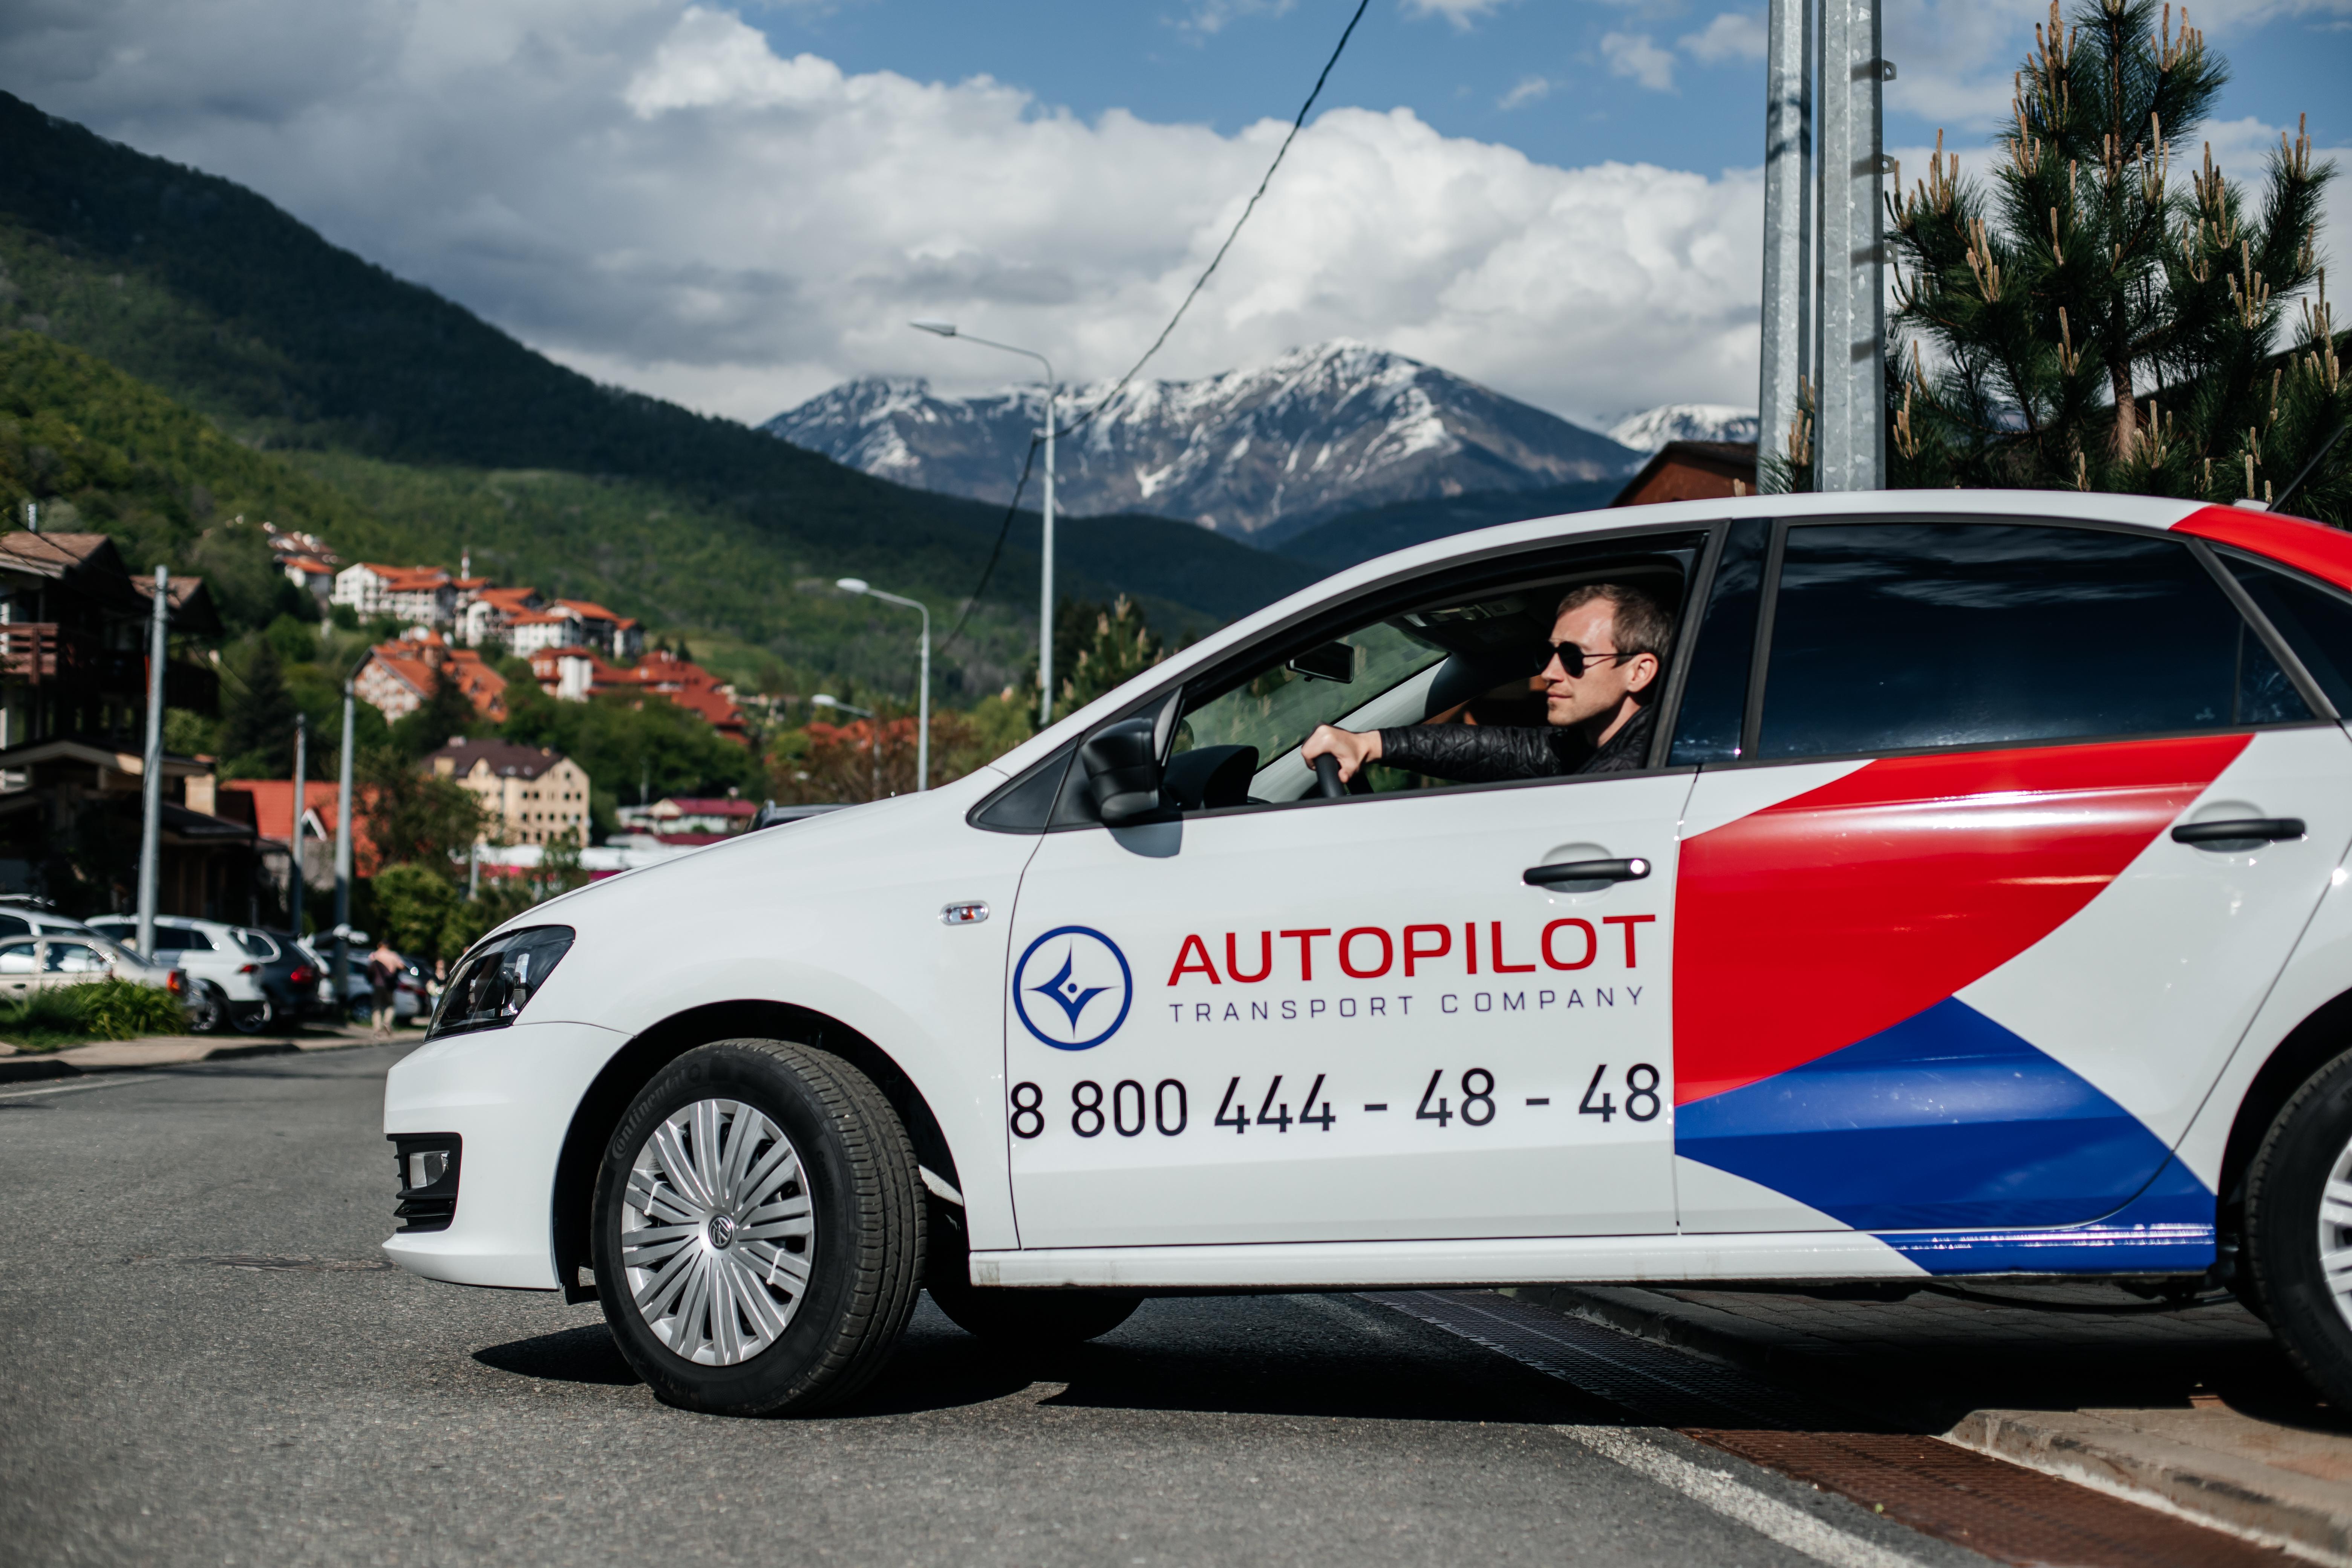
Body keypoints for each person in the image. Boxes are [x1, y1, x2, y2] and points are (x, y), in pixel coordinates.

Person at [1302, 582, 1672, 786]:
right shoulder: (1592, 748)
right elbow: (1503, 750)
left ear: (1638, 672)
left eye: (1574, 658)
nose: (1549, 673)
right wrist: (1370, 743)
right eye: (1550, 654)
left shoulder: (1635, 773)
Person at [367, 940, 404, 1038]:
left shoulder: (374, 955)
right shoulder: (393, 955)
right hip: (389, 985)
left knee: (377, 1007)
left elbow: (369, 968)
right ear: (388, 946)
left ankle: (377, 1030)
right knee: (391, 1005)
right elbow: (401, 966)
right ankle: (387, 1022)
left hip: (377, 984)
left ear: (379, 946)